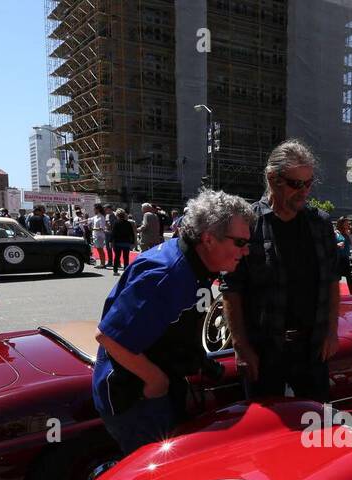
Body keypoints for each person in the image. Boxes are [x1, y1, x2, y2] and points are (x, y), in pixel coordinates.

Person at [92, 190, 255, 454]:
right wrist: (156, 381)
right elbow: (109, 337)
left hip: (162, 383)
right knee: (157, 479)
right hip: (137, 397)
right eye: (239, 242)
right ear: (208, 238)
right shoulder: (167, 274)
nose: (246, 251)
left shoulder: (197, 263)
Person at [222, 139, 341, 401]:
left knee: (316, 424)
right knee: (266, 428)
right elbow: (231, 289)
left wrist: (332, 332)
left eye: (308, 183)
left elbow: (332, 281)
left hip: (312, 348)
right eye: (296, 184)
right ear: (272, 178)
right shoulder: (248, 223)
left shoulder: (319, 224)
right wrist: (241, 347)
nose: (304, 191)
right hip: (264, 350)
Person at [334, 217, 352, 294]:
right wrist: (338, 245)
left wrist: (349, 235)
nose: (348, 225)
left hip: (346, 257)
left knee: (349, 276)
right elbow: (330, 244)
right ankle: (335, 293)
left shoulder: (347, 233)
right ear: (341, 223)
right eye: (346, 223)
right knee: (337, 277)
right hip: (338, 258)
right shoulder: (336, 233)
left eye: (348, 223)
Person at [111, 208, 136, 273]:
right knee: (126, 257)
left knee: (117, 257)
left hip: (118, 242)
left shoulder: (116, 223)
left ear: (117, 215)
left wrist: (110, 241)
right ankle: (126, 270)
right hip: (126, 242)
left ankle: (115, 270)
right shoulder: (128, 223)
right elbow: (132, 233)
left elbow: (113, 233)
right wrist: (133, 242)